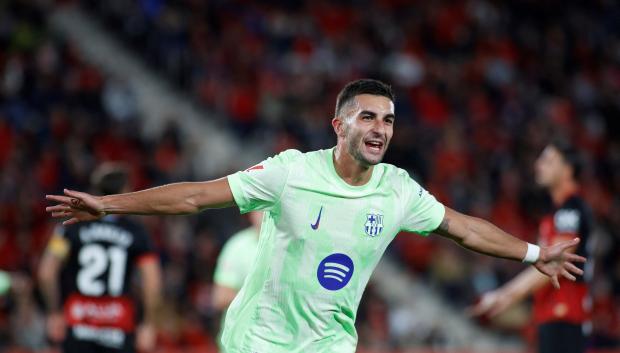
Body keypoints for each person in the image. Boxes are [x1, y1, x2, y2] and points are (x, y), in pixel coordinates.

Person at [46, 79, 586, 353]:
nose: (380, 128)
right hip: (259, 339)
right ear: (338, 124)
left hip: (329, 344)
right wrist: (108, 204)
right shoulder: (289, 173)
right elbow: (195, 197)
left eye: (389, 120)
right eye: (368, 117)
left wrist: (536, 254)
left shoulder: (398, 189)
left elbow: (464, 228)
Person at [469, 141, 593, 353]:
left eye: (548, 160)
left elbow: (554, 263)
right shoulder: (557, 213)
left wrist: (505, 295)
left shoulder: (570, 210)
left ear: (567, 170)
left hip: (564, 315)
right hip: (552, 314)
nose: (539, 165)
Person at [39, 163, 162, 353]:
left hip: (77, 322)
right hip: (119, 325)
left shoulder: (70, 226)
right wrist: (148, 323)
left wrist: (54, 313)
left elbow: (47, 271)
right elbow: (152, 281)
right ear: (125, 190)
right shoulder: (137, 232)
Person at [213, 211, 262, 352]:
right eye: (260, 209)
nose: (265, 214)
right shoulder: (237, 246)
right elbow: (220, 298)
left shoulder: (291, 245)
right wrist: (265, 298)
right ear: (251, 213)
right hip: (240, 344)